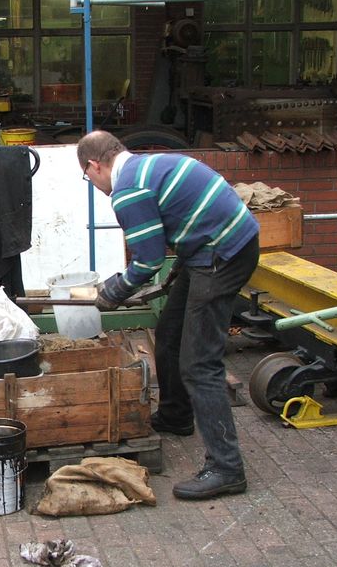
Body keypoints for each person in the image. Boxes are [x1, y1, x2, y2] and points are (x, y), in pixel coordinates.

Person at [76, 130, 260, 500]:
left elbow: (147, 260)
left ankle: (227, 468)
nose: (92, 183)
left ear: (95, 165)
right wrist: (183, 268)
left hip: (222, 253)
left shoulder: (128, 190)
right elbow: (181, 221)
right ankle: (176, 416)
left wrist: (114, 291)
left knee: (199, 364)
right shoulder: (147, 166)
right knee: (170, 333)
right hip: (211, 247)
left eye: (87, 176)